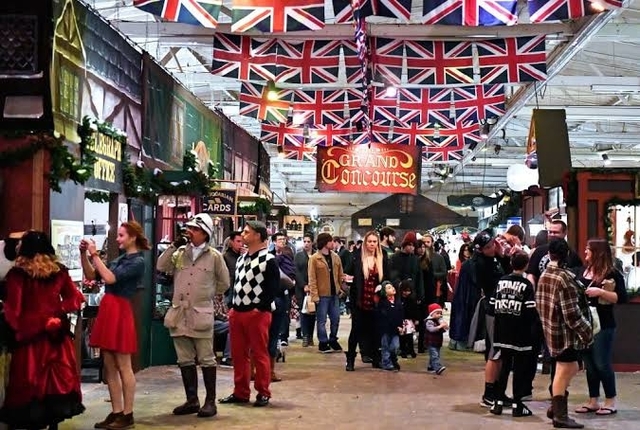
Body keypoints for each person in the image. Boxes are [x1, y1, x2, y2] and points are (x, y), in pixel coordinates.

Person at [0, 231, 85, 430]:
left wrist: (14, 330)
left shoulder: (18, 274)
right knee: (56, 382)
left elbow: (14, 310)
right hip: (56, 336)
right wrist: (57, 312)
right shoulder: (59, 271)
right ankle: (53, 425)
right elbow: (75, 298)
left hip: (30, 338)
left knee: (30, 382)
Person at [157, 213, 229, 418]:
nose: (189, 232)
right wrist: (173, 245)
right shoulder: (180, 253)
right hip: (179, 313)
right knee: (184, 358)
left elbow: (224, 283)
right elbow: (161, 266)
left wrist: (206, 294)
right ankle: (192, 400)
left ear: (205, 233)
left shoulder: (214, 256)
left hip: (201, 312)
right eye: (189, 228)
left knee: (207, 358)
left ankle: (210, 401)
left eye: (195, 229)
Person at [80, 222, 148, 430]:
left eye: (121, 235)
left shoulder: (138, 262)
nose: (117, 239)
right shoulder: (120, 259)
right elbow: (92, 275)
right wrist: (84, 255)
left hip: (119, 310)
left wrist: (94, 254)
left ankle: (128, 414)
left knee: (123, 364)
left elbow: (109, 278)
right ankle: (117, 411)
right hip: (109, 309)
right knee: (109, 364)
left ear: (132, 237)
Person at [219, 221, 278, 408]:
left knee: (259, 353)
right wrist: (232, 306)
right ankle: (241, 392)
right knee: (238, 355)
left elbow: (272, 288)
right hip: (238, 312)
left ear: (257, 236)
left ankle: (263, 392)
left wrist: (259, 308)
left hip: (257, 314)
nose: (242, 235)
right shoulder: (241, 259)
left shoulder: (269, 259)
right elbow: (236, 284)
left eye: (246, 232)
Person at [536, 239, 593, 429]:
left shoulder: (546, 274)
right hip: (564, 334)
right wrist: (587, 331)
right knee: (564, 369)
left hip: (550, 329)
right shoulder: (563, 278)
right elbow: (571, 315)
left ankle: (556, 407)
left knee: (569, 367)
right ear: (566, 254)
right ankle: (559, 414)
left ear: (549, 254)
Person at [574, 239, 627, 416]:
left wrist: (601, 292)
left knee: (602, 363)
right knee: (589, 364)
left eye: (588, 249)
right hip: (584, 323)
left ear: (597, 253)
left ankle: (610, 400)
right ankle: (593, 400)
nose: (585, 252)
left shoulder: (612, 273)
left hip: (603, 323)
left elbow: (621, 298)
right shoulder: (583, 270)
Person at [490, 252, 537, 418]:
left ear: (511, 263)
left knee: (504, 366)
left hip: (502, 331)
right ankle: (517, 404)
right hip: (520, 333)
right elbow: (530, 310)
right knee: (519, 368)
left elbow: (491, 305)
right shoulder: (526, 284)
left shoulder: (501, 281)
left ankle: (498, 402)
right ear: (526, 265)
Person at [345, 230, 389, 371]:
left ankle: (376, 359)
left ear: (378, 243)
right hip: (359, 300)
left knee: (376, 331)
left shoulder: (383, 257)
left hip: (376, 302)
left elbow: (387, 278)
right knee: (356, 331)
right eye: (369, 241)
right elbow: (347, 272)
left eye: (374, 242)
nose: (372, 244)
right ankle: (350, 360)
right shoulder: (357, 256)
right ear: (365, 242)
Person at [308, 233, 344, 353]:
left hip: (334, 294)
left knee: (336, 318)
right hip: (322, 295)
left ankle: (333, 339)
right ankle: (323, 342)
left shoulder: (336, 257)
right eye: (331, 241)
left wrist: (340, 288)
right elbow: (312, 278)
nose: (333, 243)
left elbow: (340, 274)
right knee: (321, 320)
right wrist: (314, 295)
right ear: (325, 242)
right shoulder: (314, 258)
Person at [376, 281, 403, 372]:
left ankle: (393, 359)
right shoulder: (383, 303)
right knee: (385, 346)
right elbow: (383, 317)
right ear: (385, 292)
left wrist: (401, 326)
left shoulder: (398, 302)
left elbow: (400, 316)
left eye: (392, 286)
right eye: (389, 288)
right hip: (386, 329)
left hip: (396, 330)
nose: (392, 288)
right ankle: (386, 363)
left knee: (395, 346)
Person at [294, 233, 315, 347]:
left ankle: (310, 336)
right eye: (305, 241)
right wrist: (304, 285)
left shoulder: (316, 255)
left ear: (312, 242)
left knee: (312, 312)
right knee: (303, 312)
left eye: (308, 242)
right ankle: (305, 336)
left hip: (314, 288)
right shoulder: (298, 255)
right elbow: (296, 272)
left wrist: (312, 285)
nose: (306, 244)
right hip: (301, 288)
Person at [425, 303, 448, 375]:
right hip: (430, 341)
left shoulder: (439, 321)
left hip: (438, 341)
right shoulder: (429, 321)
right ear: (432, 314)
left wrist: (445, 326)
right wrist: (440, 326)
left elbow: (444, 330)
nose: (439, 315)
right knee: (434, 355)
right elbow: (431, 329)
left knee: (436, 355)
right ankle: (438, 368)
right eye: (437, 313)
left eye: (440, 313)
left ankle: (431, 366)